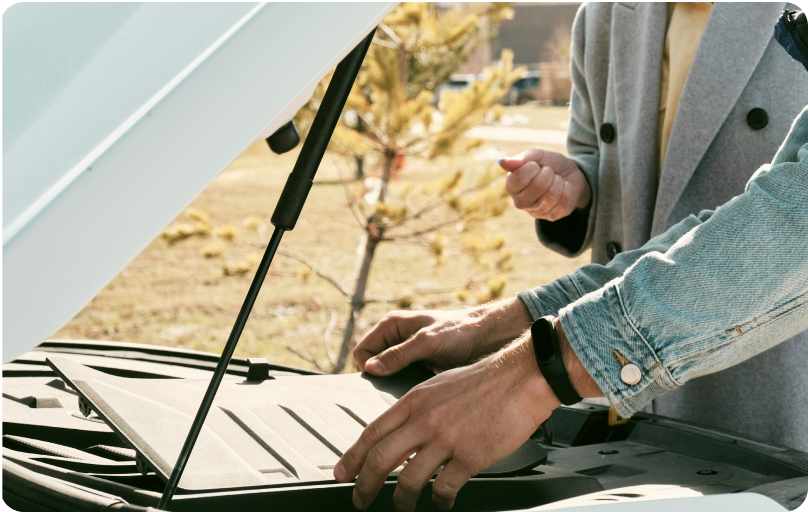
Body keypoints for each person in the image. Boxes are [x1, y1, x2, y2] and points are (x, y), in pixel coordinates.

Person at [331, 7, 808, 512]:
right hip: (649, 378)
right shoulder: (605, 15)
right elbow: (729, 220)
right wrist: (512, 319)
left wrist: (536, 371)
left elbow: (791, 225)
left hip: (766, 375)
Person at [498, 1, 808, 452]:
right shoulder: (602, 15)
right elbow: (596, 147)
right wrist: (577, 185)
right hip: (610, 360)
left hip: (759, 358)